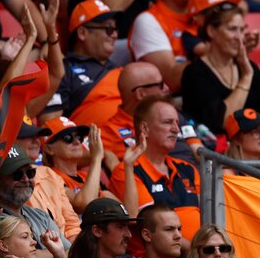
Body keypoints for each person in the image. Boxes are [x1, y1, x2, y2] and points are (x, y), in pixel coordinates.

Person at [108, 96, 202, 243]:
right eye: (167, 122)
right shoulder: (127, 170)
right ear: (145, 129)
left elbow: (210, 216)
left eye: (177, 123)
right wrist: (196, 252)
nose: (176, 129)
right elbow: (149, 227)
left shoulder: (188, 168)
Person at [181, 6, 260, 137]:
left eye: (242, 30)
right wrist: (246, 77)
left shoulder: (247, 66)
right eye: (232, 29)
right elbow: (223, 124)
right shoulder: (195, 73)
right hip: (215, 151)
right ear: (211, 31)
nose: (239, 37)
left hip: (254, 146)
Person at [99, 61, 200, 172]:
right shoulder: (109, 132)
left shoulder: (174, 116)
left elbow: (200, 153)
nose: (167, 88)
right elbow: (80, 153)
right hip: (155, 186)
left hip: (197, 182)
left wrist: (215, 176)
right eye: (160, 85)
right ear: (141, 94)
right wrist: (107, 157)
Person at [129, 0, 203, 92]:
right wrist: (219, 51)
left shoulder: (204, 16)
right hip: (172, 105)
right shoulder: (148, 21)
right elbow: (172, 80)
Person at [0, 146, 71, 258]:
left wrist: (59, 253)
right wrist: (59, 253)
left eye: (30, 173)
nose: (25, 179)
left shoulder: (40, 215)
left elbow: (73, 251)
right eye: (17, 174)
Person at [42, 0, 121, 127]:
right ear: (83, 33)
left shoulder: (123, 71)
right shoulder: (62, 71)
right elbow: (49, 126)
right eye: (108, 29)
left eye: (115, 29)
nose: (115, 35)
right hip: (90, 144)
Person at [42, 119, 107, 215]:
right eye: (68, 138)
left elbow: (127, 212)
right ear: (49, 149)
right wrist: (96, 158)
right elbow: (85, 205)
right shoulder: (49, 177)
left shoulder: (86, 176)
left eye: (79, 137)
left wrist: (128, 165)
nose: (77, 142)